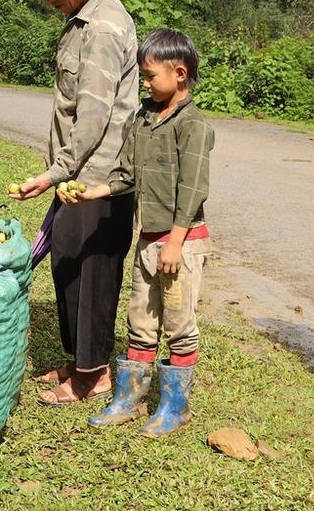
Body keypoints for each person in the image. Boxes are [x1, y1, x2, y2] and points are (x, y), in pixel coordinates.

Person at [62, 29, 214, 436]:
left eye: (150, 77)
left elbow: (193, 188)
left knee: (179, 324)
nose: (144, 84)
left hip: (179, 243)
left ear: (179, 74)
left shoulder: (194, 126)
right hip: (149, 241)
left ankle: (175, 407)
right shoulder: (143, 119)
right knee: (141, 320)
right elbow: (126, 173)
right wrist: (94, 191)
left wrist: (176, 243)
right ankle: (128, 399)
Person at [8, 0, 139, 406]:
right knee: (66, 257)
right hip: (78, 172)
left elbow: (94, 114)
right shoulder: (81, 19)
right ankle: (79, 358)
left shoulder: (102, 29)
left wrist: (56, 172)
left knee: (93, 270)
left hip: (98, 176)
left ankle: (93, 374)